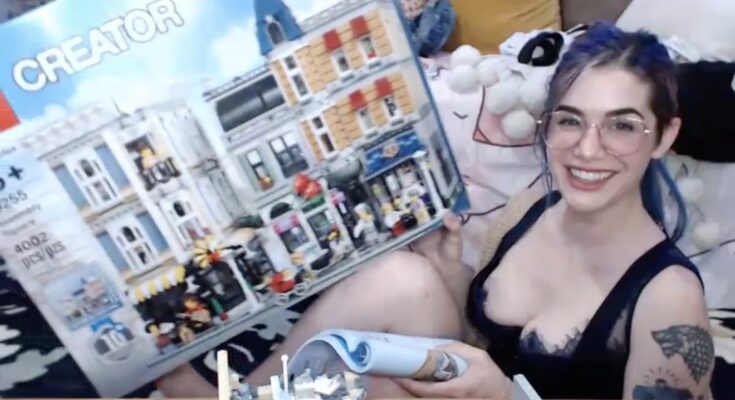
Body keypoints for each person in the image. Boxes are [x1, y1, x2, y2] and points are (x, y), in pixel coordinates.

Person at [156, 23, 714, 399]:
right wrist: (450, 274)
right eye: (570, 120)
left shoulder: (668, 298)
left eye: (622, 126)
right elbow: (477, 341)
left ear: (665, 136)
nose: (587, 150)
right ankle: (247, 393)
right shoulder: (534, 208)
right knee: (403, 277)